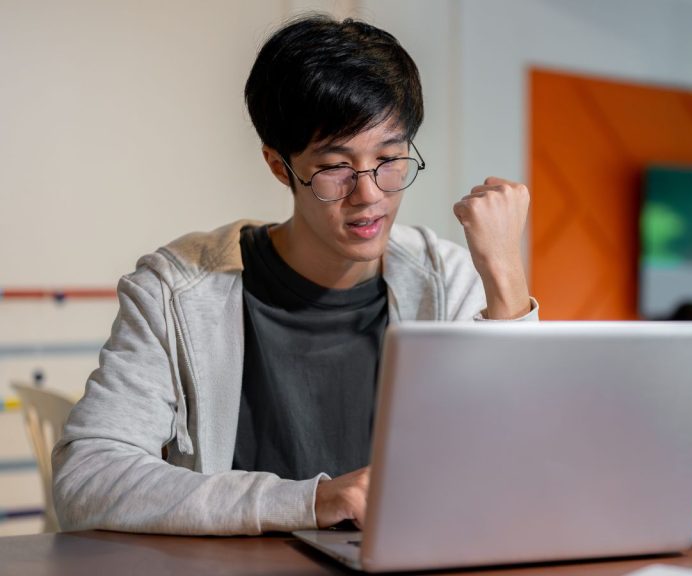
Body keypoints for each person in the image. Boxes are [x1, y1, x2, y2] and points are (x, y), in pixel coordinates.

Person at [52, 14, 538, 535]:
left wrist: (505, 276)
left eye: (390, 158)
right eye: (335, 166)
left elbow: (527, 468)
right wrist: (309, 501)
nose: (370, 194)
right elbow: (88, 476)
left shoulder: (445, 279)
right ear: (279, 165)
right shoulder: (177, 291)